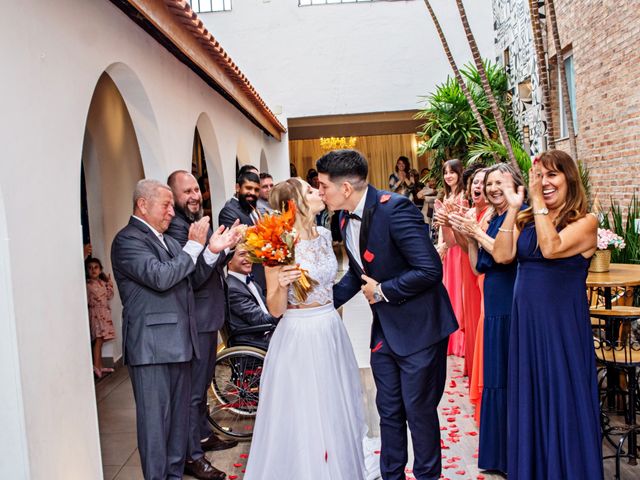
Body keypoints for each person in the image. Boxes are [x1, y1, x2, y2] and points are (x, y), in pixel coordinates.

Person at [318, 150, 457, 480]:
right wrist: (322, 305)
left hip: (420, 328)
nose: (321, 192)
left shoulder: (395, 209)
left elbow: (429, 269)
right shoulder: (342, 217)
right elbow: (357, 273)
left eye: (323, 186)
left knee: (419, 412)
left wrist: (383, 291)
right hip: (384, 331)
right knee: (389, 410)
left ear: (346, 188)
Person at [243, 177, 375, 479]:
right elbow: (275, 308)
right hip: (299, 335)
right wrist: (283, 284)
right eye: (311, 190)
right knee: (303, 411)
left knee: (334, 405)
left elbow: (332, 286)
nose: (319, 193)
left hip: (330, 329)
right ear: (295, 204)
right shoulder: (277, 243)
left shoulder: (326, 235)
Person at [492, 150, 603, 480]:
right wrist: (514, 209)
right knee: (531, 400)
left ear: (570, 179)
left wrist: (537, 201)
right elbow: (501, 255)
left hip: (560, 328)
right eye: (540, 175)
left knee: (562, 399)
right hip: (526, 326)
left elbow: (551, 247)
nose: (545, 182)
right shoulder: (528, 216)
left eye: (553, 175)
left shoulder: (586, 222)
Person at [111, 179, 220, 480]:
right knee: (156, 430)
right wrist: (195, 246)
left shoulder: (168, 241)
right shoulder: (128, 240)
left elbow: (191, 279)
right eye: (166, 204)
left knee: (177, 427)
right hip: (152, 350)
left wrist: (211, 251)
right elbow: (160, 277)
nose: (173, 211)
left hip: (179, 345)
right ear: (142, 205)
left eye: (173, 205)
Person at [449, 163, 524, 474]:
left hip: (510, 304)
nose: (492, 188)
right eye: (489, 183)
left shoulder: (518, 216)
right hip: (492, 304)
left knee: (509, 376)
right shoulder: (492, 217)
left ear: (514, 185)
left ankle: (515, 454)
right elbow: (479, 265)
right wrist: (469, 237)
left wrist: (476, 232)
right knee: (495, 376)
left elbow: (505, 255)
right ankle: (499, 455)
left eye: (499, 183)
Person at [166, 171, 240, 480]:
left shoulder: (195, 224)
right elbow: (193, 276)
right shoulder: (178, 229)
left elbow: (210, 265)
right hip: (194, 318)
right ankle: (191, 456)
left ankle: (202, 436)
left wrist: (228, 246)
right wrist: (214, 249)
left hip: (209, 316)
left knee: (203, 384)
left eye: (197, 188)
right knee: (193, 391)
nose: (195, 195)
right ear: (173, 196)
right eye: (187, 191)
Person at [434, 159, 468, 360]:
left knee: (459, 290)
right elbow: (441, 224)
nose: (448, 176)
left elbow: (459, 226)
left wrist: (446, 245)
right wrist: (441, 246)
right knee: (449, 290)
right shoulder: (448, 196)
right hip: (447, 249)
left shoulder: (464, 197)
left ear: (459, 173)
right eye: (445, 172)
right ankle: (452, 338)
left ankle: (461, 340)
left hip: (459, 247)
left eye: (452, 172)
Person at [219, 171, 265, 289]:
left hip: (260, 276)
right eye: (248, 188)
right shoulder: (229, 211)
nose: (252, 193)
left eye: (256, 190)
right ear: (238, 187)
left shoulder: (251, 208)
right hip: (245, 278)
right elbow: (239, 244)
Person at [226, 247, 279, 350]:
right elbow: (262, 320)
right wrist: (284, 311)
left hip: (266, 332)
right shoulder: (232, 288)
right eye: (242, 254)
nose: (249, 258)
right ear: (229, 260)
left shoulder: (249, 281)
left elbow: (268, 309)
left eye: (250, 254)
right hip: (254, 341)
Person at [85, 257, 116, 378]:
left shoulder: (102, 283)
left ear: (100, 269)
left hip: (104, 314)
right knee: (98, 339)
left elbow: (109, 295)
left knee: (102, 339)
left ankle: (100, 365)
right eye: (90, 268)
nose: (93, 270)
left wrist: (109, 284)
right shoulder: (87, 285)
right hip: (95, 314)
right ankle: (96, 366)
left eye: (96, 267)